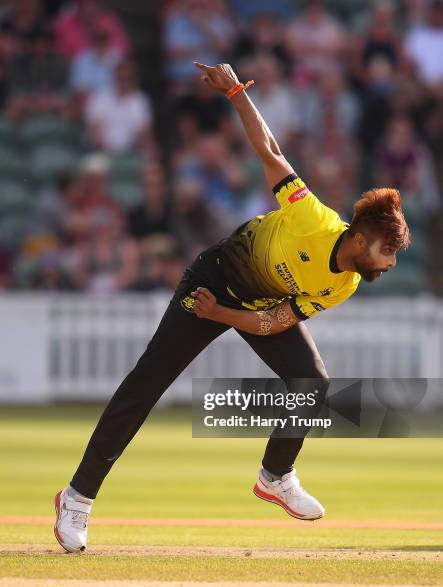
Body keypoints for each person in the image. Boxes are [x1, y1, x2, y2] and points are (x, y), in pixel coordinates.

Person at [54, 62, 410, 553]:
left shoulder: (345, 283)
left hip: (241, 303)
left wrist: (219, 315)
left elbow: (272, 322)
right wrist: (237, 91)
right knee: (145, 385)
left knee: (312, 385)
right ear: (362, 238)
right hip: (212, 279)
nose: (389, 264)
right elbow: (270, 150)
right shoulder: (311, 218)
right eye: (387, 253)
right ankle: (77, 497)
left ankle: (275, 476)